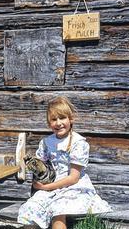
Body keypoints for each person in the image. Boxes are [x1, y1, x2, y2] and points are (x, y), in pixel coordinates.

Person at [17, 96, 112, 229]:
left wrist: (45, 188)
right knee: (30, 208)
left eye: (62, 118)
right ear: (49, 123)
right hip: (51, 184)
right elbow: (42, 167)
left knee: (59, 208)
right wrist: (37, 171)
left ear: (70, 118)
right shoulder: (46, 142)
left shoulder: (78, 143)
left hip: (73, 187)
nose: (58, 123)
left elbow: (73, 178)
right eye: (54, 119)